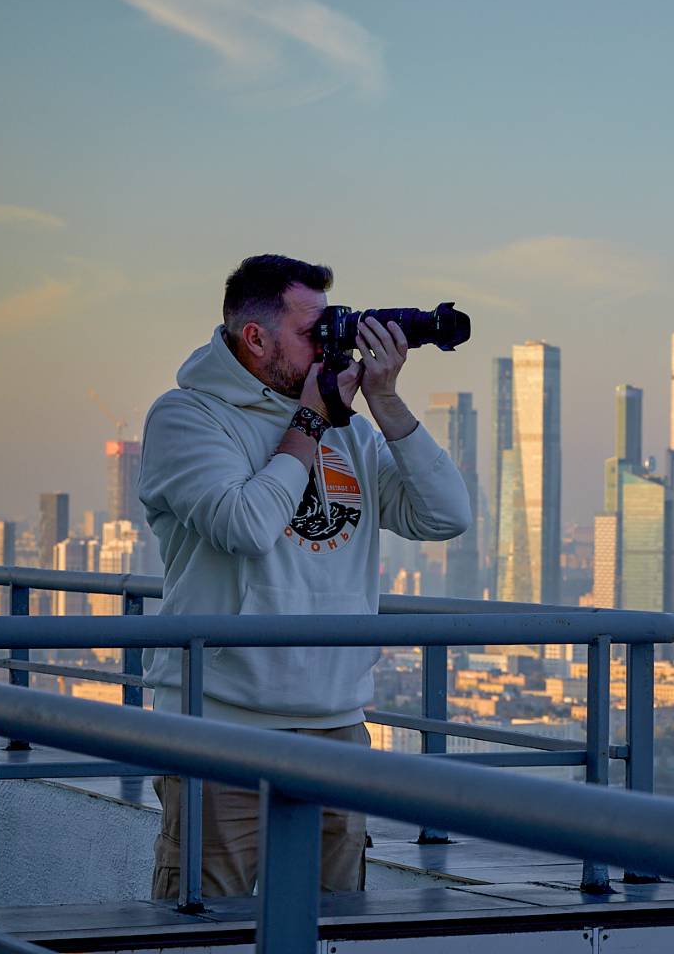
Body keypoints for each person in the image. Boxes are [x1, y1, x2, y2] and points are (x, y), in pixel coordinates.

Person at [137, 254, 472, 899]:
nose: (330, 347)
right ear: (255, 337)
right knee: (209, 929)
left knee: (333, 925)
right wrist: (311, 423)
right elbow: (245, 524)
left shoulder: (352, 434)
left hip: (335, 725)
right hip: (220, 726)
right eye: (311, 332)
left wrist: (386, 400)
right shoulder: (187, 418)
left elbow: (445, 516)